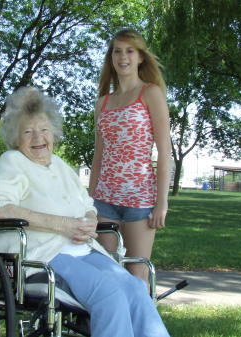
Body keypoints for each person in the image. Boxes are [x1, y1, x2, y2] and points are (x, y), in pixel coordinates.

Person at [0, 86, 170, 337]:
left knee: (135, 287)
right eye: (28, 131)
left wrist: (90, 220)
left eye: (44, 129)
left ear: (54, 133)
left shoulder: (60, 165)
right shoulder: (12, 161)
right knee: (109, 294)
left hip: (84, 250)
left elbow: (87, 204)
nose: (38, 138)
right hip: (43, 256)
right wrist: (62, 225)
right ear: (16, 137)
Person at [89, 29, 172, 283]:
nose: (122, 56)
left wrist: (162, 202)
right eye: (117, 51)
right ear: (110, 57)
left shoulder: (150, 93)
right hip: (104, 200)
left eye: (129, 50)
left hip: (139, 201)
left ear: (140, 57)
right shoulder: (102, 102)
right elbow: (99, 156)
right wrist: (89, 201)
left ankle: (143, 323)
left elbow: (164, 151)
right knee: (107, 275)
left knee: (138, 276)